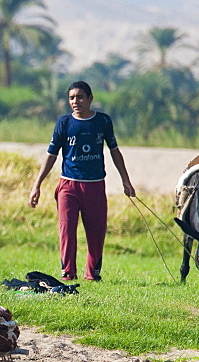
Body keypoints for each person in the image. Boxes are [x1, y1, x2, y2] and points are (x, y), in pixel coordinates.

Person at [28, 80, 136, 281]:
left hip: (95, 185)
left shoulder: (102, 121)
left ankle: (92, 274)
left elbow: (114, 151)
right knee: (67, 230)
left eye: (79, 97)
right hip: (68, 185)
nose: (75, 101)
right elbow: (51, 155)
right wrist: (37, 185)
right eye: (71, 98)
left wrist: (126, 181)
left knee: (96, 232)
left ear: (90, 98)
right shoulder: (64, 123)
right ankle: (68, 273)